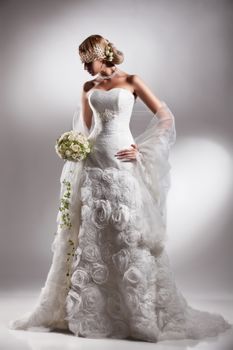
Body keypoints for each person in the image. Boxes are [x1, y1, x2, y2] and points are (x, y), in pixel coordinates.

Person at [8, 34, 232, 342]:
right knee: (93, 230)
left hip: (123, 161)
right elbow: (85, 130)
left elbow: (165, 117)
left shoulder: (132, 81)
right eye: (82, 63)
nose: (86, 68)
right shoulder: (88, 88)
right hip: (95, 161)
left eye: (89, 61)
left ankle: (138, 312)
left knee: (128, 230)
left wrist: (141, 150)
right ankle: (93, 311)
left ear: (102, 55)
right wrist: (75, 148)